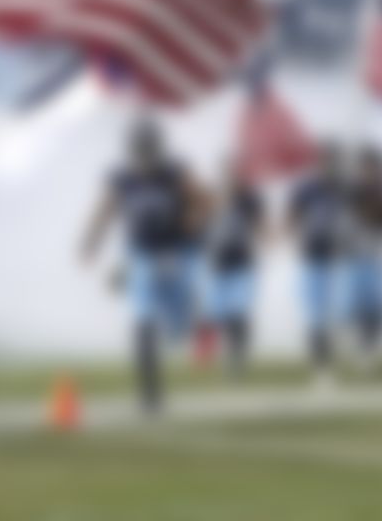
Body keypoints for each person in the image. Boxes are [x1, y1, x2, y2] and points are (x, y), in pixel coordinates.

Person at [80, 119, 208, 416]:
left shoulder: (176, 172)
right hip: (142, 255)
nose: (145, 154)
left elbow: (205, 200)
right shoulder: (121, 178)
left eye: (149, 147)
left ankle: (195, 319)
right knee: (143, 321)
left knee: (180, 326)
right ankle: (151, 396)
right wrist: (90, 243)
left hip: (178, 251)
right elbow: (104, 210)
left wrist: (193, 217)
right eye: (140, 148)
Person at [286, 142, 351, 390]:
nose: (328, 166)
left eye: (332, 160)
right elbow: (292, 216)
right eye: (325, 160)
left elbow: (350, 220)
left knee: (333, 316)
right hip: (313, 258)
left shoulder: (342, 189)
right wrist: (299, 236)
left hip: (338, 260)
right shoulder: (307, 189)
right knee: (317, 317)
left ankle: (325, 364)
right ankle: (321, 367)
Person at [204, 159, 267, 377]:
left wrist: (263, 240)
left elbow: (260, 225)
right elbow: (201, 225)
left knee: (238, 312)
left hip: (242, 263)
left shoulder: (249, 199)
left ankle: (237, 357)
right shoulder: (212, 198)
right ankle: (226, 352)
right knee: (221, 315)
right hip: (218, 265)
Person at [344, 146, 382, 372]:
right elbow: (353, 218)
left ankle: (370, 346)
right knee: (361, 309)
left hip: (377, 255)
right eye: (366, 167)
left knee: (379, 309)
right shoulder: (354, 192)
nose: (370, 172)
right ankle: (364, 348)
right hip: (358, 255)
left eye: (373, 167)